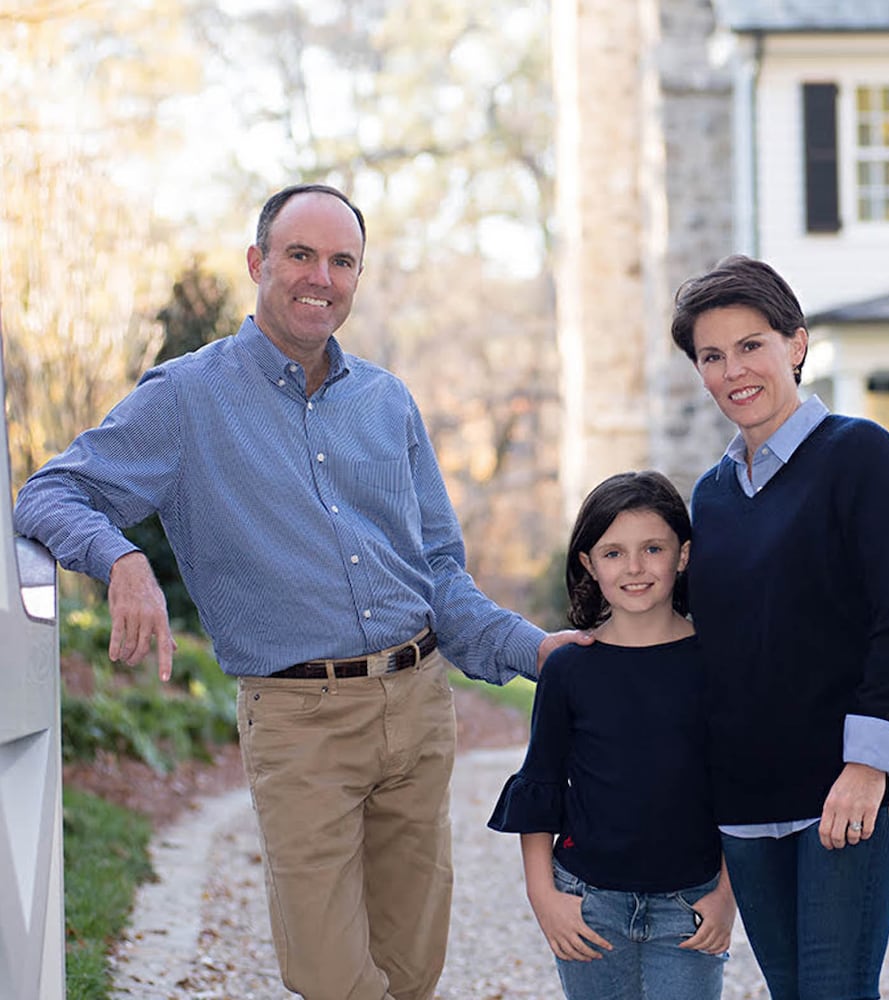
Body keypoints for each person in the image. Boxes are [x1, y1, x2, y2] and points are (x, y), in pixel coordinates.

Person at [14, 183, 584, 1000]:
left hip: (418, 708)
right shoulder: (186, 398)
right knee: (329, 975)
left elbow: (440, 577)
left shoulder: (387, 401)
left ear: (358, 276)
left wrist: (536, 650)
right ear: (258, 263)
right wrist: (121, 560)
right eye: (301, 255)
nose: (321, 276)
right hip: (298, 721)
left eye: (341, 261)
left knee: (412, 969)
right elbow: (48, 494)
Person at [668, 254, 889, 1000]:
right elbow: (713, 646)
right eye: (711, 357)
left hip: (853, 793)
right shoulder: (713, 495)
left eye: (750, 345)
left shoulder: (863, 457)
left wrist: (867, 767)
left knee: (833, 988)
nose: (732, 372)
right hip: (750, 804)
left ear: (795, 344)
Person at [487, 470, 736, 1000]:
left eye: (652, 548)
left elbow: (739, 785)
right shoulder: (569, 668)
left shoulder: (717, 662)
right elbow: (542, 782)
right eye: (614, 553)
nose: (636, 568)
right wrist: (543, 896)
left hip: (690, 906)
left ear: (683, 556)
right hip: (588, 903)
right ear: (588, 564)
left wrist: (726, 895)